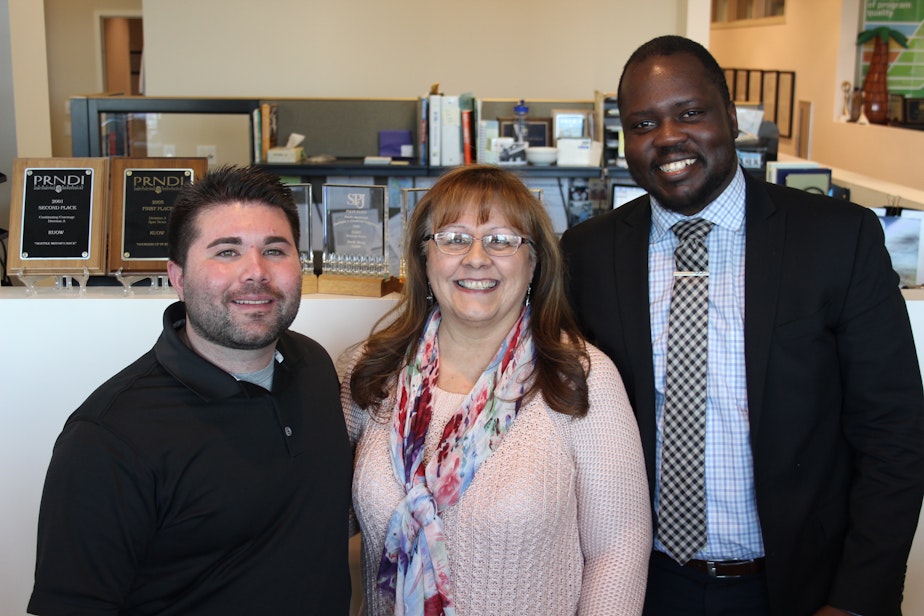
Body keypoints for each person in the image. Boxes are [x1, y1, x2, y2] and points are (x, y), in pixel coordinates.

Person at [561, 35, 924, 616]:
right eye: (643, 123)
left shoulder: (838, 240)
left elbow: (895, 433)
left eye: (690, 112)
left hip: (798, 588)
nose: (668, 137)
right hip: (641, 586)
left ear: (730, 117)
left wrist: (855, 600)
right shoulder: (587, 253)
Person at [28, 166, 352, 615]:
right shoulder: (108, 438)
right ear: (177, 277)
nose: (255, 272)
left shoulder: (314, 368)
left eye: (274, 250)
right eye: (226, 252)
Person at [341, 164, 651, 615]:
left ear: (534, 262)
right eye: (453, 237)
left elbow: (618, 552)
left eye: (502, 239)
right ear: (424, 258)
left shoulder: (581, 376)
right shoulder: (368, 370)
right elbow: (316, 515)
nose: (476, 257)